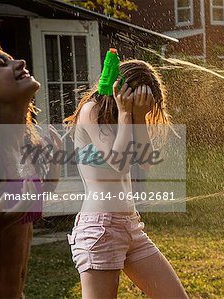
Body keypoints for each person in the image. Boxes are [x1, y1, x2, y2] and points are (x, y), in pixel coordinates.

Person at [63, 59, 188, 298]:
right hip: (100, 228)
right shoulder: (92, 111)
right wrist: (125, 114)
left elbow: (146, 161)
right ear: (119, 90)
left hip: (130, 226)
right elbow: (118, 164)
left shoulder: (124, 115)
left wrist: (138, 117)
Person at [0, 43, 62, 298]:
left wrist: (52, 174)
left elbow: (24, 207)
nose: (20, 62)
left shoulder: (22, 147)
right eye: (1, 64)